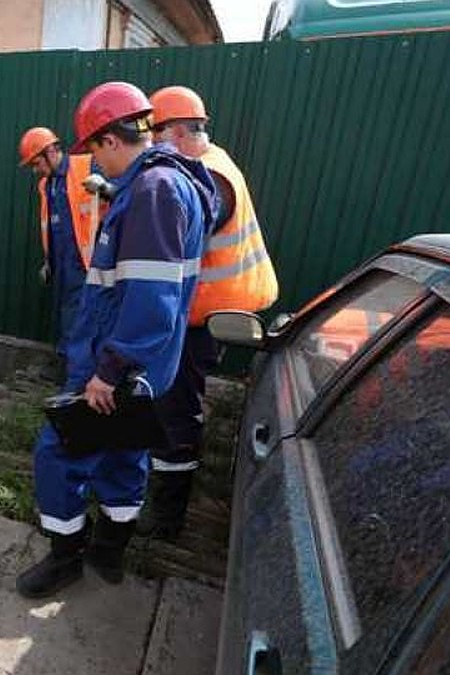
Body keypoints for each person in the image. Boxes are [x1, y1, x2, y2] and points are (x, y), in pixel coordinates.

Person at [16, 82, 218, 598]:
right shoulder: (166, 184)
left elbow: (151, 298)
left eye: (94, 153)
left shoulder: (152, 192)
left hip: (116, 362)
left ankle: (66, 559)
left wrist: (108, 370)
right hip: (145, 366)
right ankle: (109, 554)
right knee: (125, 454)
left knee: (59, 453)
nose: (95, 166)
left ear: (110, 138)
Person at [142, 85, 279, 539]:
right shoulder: (212, 162)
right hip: (211, 313)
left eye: (154, 134)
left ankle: (166, 518)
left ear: (177, 132)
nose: (149, 144)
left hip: (205, 320)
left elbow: (186, 225)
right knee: (172, 404)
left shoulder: (208, 179)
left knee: (176, 411)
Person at [18, 127, 96, 357]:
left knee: (80, 323)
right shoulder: (47, 186)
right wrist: (48, 262)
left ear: (51, 152)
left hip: (85, 266)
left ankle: (74, 381)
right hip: (62, 267)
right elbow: (52, 227)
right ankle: (67, 368)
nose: (36, 171)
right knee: (66, 319)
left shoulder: (87, 167)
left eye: (36, 163)